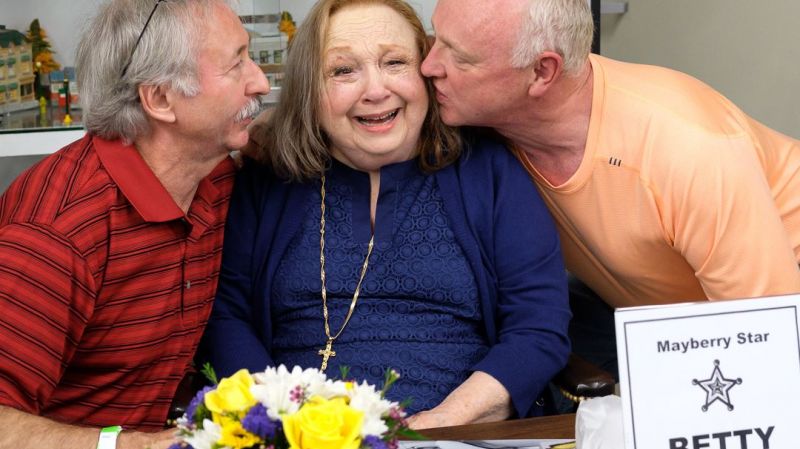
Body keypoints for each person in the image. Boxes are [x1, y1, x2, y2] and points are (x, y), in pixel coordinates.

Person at [201, 0, 571, 429]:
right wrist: (278, 421)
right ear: (309, 90)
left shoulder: (488, 171)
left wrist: (445, 422)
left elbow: (538, 326)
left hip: (454, 432)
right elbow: (226, 317)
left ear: (427, 71)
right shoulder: (267, 178)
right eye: (343, 71)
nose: (375, 90)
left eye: (395, 62)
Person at [421, 0, 800, 378]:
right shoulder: (486, 120)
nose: (429, 66)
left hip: (779, 295)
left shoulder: (687, 147)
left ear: (541, 71)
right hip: (654, 306)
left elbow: (771, 342)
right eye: (436, 37)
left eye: (461, 58)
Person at [0, 0, 269, 447]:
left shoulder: (210, 173)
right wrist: (131, 444)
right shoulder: (58, 233)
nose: (259, 79)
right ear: (161, 98)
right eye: (236, 64)